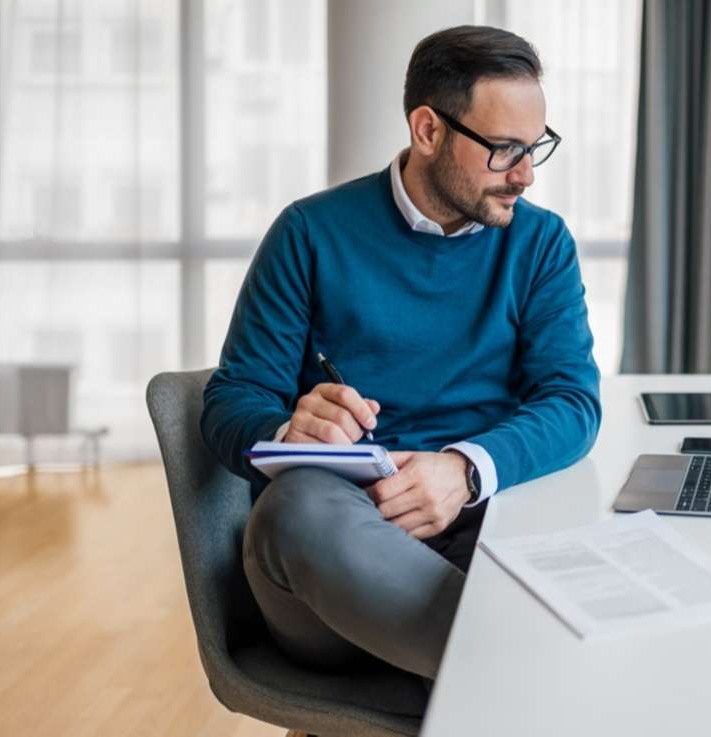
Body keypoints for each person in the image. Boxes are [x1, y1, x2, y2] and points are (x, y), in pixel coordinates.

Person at [200, 25, 601, 696]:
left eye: (535, 149)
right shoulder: (309, 233)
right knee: (290, 510)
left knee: (583, 538)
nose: (526, 175)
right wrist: (285, 429)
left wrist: (464, 471)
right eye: (505, 151)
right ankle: (528, 681)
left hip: (478, 528)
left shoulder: (540, 244)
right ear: (427, 130)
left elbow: (573, 402)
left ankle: (474, 679)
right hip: (331, 566)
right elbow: (230, 402)